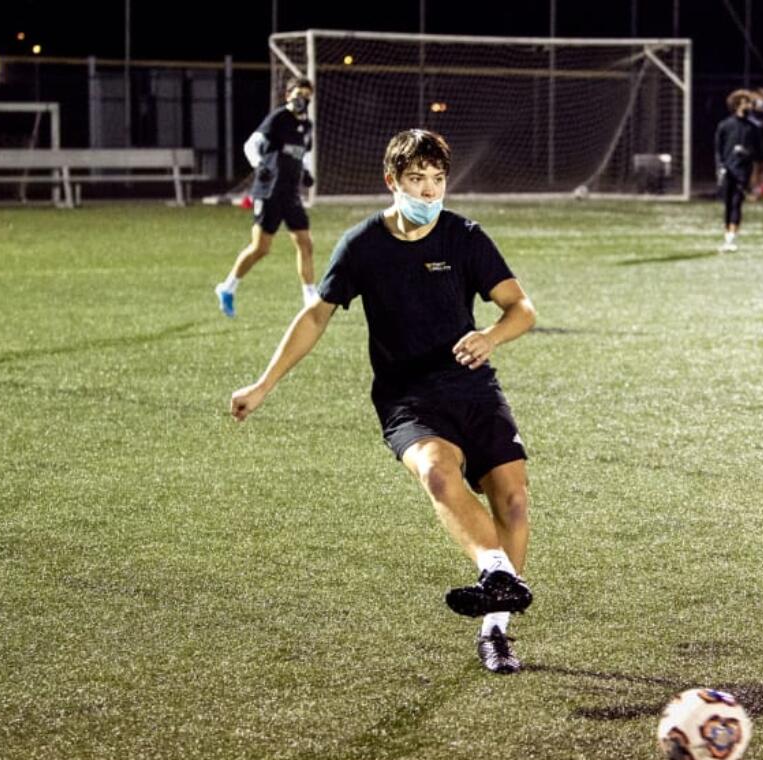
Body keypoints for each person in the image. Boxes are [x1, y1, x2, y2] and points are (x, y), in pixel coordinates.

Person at [228, 129, 538, 675]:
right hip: (406, 396)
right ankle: (495, 570)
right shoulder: (363, 244)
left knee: (511, 499)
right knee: (438, 472)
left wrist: (491, 335)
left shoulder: (465, 237)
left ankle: (496, 630)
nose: (429, 192)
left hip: (471, 385)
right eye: (417, 180)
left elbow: (522, 308)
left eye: (438, 180)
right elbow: (316, 316)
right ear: (392, 181)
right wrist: (263, 384)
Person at [215, 76, 318, 318]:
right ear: (288, 96)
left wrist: (306, 171)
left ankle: (309, 295)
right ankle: (227, 287)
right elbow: (252, 144)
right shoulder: (278, 118)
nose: (302, 100)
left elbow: (303, 152)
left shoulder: (308, 125)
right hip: (269, 191)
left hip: (290, 193)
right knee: (261, 248)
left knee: (305, 242)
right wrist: (259, 164)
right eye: (297, 95)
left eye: (306, 96)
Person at [715, 89, 759, 252]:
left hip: (743, 171)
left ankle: (731, 237)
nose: (749, 106)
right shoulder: (725, 125)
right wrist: (719, 167)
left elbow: (759, 152)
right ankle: (728, 236)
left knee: (736, 203)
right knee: (727, 204)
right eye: (746, 102)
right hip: (727, 170)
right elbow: (718, 149)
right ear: (737, 105)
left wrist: (746, 152)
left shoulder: (753, 127)